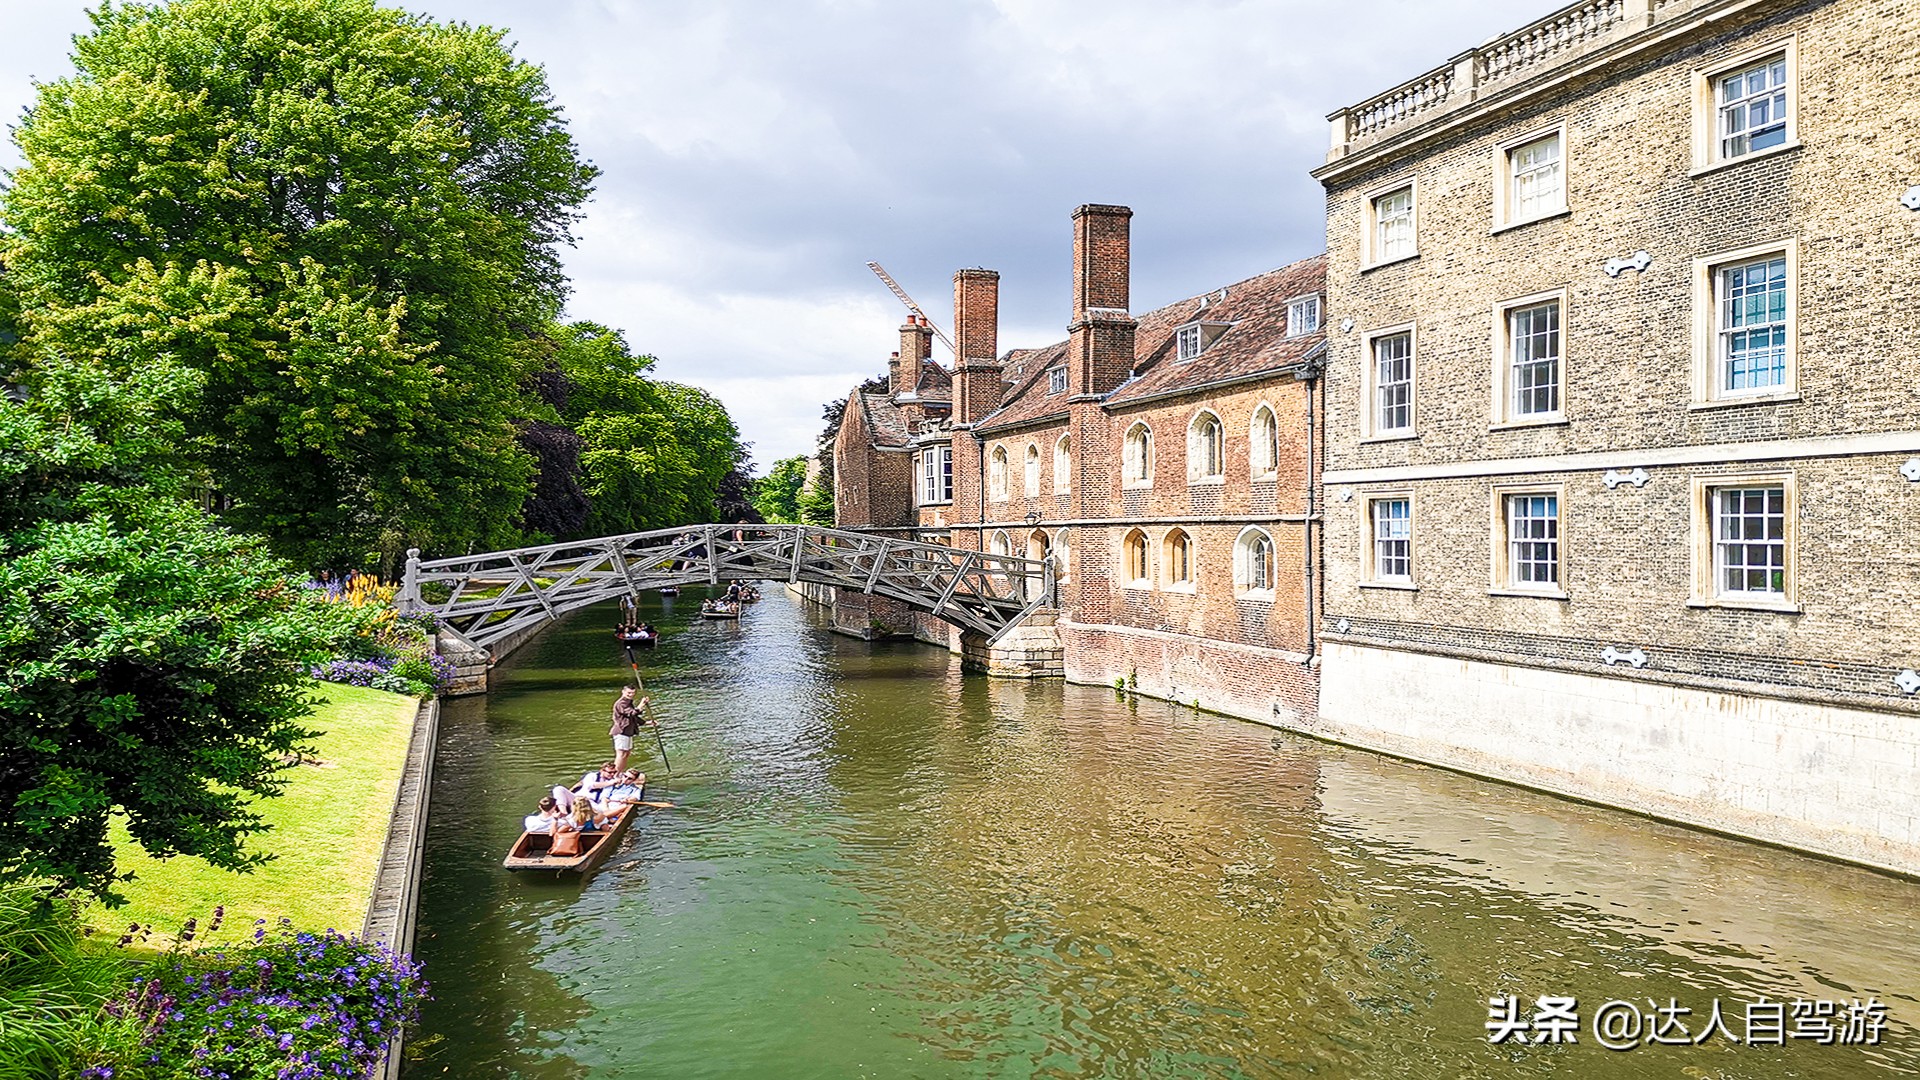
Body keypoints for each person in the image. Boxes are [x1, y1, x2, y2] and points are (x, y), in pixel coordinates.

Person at [610, 687, 650, 773]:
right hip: (621, 731)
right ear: (623, 692)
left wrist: (647, 722)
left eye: (632, 693)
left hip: (628, 732)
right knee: (621, 754)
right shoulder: (621, 703)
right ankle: (614, 775)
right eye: (628, 693)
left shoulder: (628, 703)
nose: (631, 695)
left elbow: (633, 717)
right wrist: (641, 704)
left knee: (626, 754)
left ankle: (620, 773)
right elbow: (632, 713)